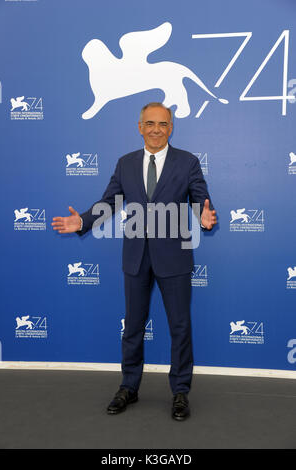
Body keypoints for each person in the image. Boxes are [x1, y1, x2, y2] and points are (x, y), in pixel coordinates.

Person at [52, 102, 217, 421]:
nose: (157, 129)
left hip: (174, 257)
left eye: (163, 124)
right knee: (133, 328)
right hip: (136, 257)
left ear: (171, 128)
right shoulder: (125, 163)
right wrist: (83, 222)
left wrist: (204, 215)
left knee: (180, 327)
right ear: (139, 127)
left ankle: (180, 391)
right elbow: (109, 202)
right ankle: (129, 386)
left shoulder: (187, 162)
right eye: (150, 123)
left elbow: (200, 198)